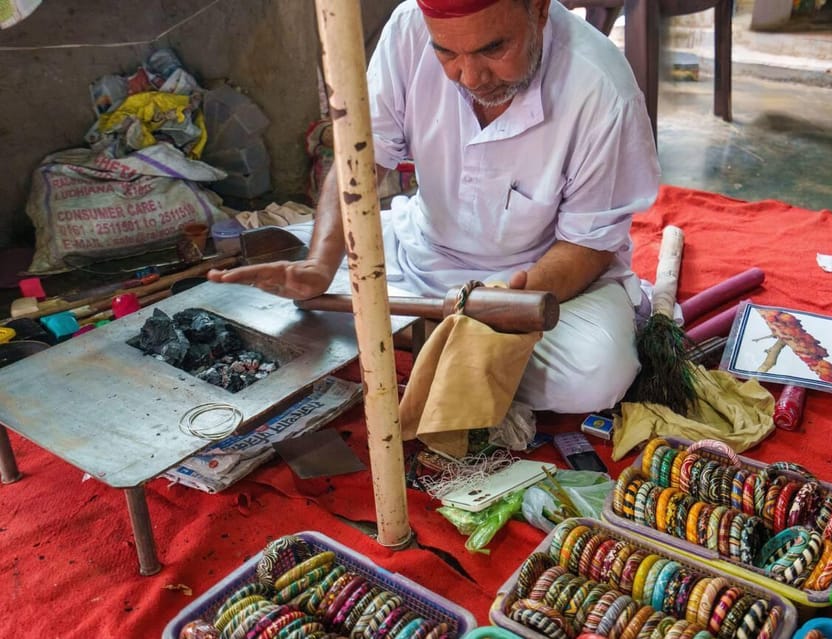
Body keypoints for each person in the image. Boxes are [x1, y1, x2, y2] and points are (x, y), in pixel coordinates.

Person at [208, 0, 661, 413]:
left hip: (535, 283)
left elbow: (589, 244)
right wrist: (322, 264)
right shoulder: (408, 27)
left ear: (538, 10)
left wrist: (500, 307)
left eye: (494, 48)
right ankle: (420, 332)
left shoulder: (601, 87)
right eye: (447, 53)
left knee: (595, 375)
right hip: (419, 254)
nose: (470, 76)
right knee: (281, 290)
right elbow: (360, 159)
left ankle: (398, 333)